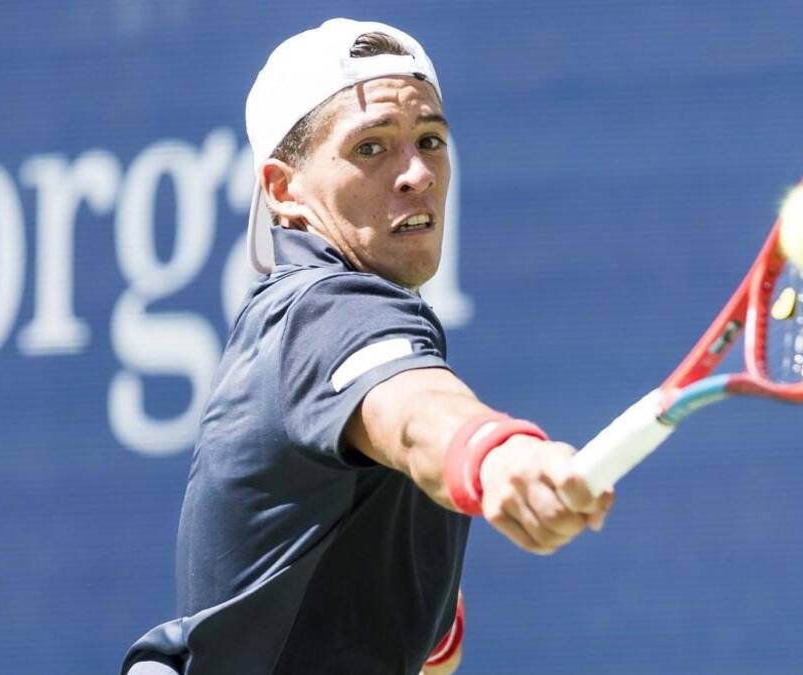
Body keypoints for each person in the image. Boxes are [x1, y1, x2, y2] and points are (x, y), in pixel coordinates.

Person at [121, 18, 614, 675]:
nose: (417, 173)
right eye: (371, 147)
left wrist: (427, 625)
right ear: (283, 190)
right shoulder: (324, 309)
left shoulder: (305, 324)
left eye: (430, 140)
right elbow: (414, 415)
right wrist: (497, 457)